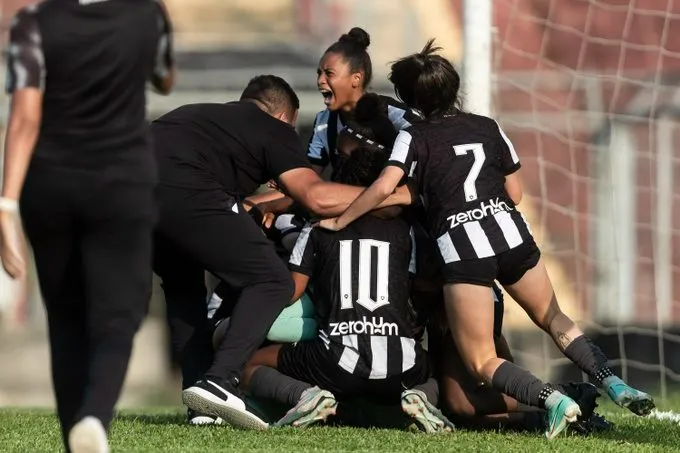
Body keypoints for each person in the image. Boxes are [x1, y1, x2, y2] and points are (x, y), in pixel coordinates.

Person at [318, 39, 654, 440]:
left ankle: (554, 399)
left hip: (465, 251)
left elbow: (382, 188)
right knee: (554, 318)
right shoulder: (488, 125)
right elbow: (515, 193)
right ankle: (612, 380)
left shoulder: (414, 137)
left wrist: (341, 220)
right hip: (511, 235)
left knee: (481, 360)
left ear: (410, 100)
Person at [150, 75, 412, 429]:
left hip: (130, 192)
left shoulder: (195, 116)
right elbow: (315, 197)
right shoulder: (274, 129)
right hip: (188, 189)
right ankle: (220, 379)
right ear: (283, 118)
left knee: (183, 290)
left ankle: (201, 403)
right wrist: (386, 196)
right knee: (272, 281)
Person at [0, 1, 174, 452]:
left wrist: (6, 205)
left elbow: (24, 116)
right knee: (122, 311)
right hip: (121, 183)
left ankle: (72, 438)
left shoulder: (32, 24)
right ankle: (95, 417)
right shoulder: (147, 16)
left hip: (49, 186)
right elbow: (165, 77)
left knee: (66, 317)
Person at [239, 104, 452, 432]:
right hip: (402, 365)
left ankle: (306, 396)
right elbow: (416, 287)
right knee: (433, 372)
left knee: (251, 363)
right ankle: (421, 398)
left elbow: (291, 291)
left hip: (335, 361)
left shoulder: (318, 226)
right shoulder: (408, 230)